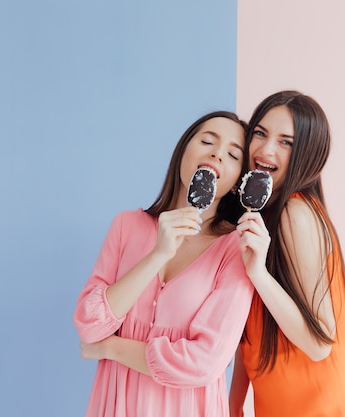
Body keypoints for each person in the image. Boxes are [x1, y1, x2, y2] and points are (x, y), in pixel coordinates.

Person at [74, 111, 255, 417]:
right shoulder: (127, 226)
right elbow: (89, 325)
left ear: (239, 180)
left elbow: (204, 363)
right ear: (183, 151)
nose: (216, 153)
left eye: (233, 154)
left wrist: (111, 349)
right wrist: (158, 254)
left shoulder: (236, 249)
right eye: (208, 140)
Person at [229, 91, 345, 417]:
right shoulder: (263, 215)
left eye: (285, 142)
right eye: (260, 133)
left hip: (316, 406)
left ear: (307, 154)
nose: (265, 150)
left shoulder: (295, 212)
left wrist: (259, 274)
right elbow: (251, 329)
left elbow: (320, 343)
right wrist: (234, 402)